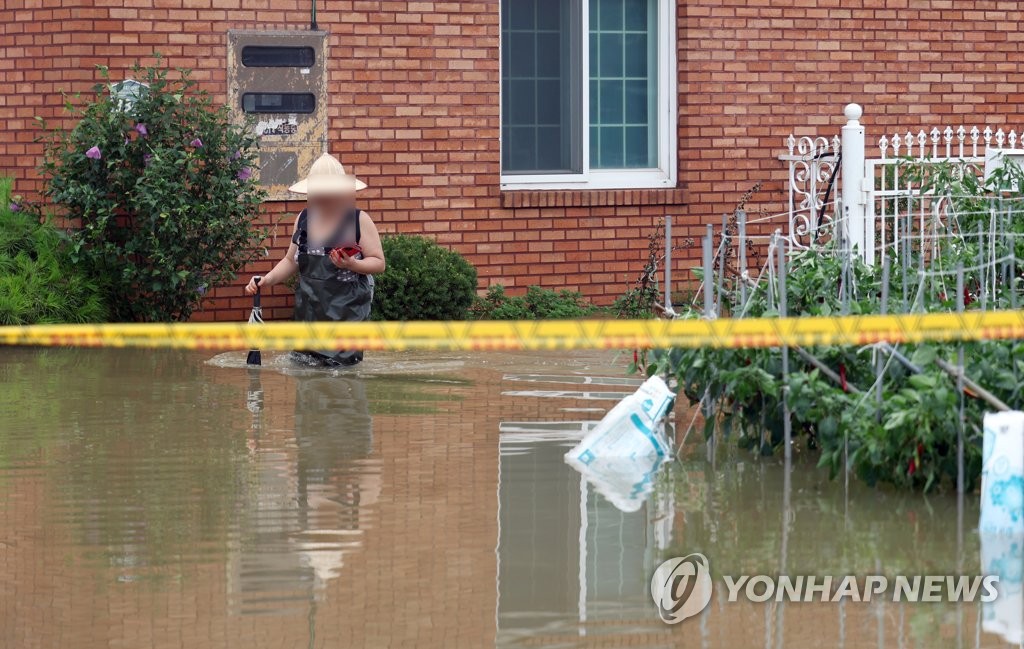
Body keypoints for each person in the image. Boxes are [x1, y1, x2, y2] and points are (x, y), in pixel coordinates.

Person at [245, 153, 385, 366]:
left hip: (345, 316)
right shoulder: (304, 218)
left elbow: (378, 262)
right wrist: (268, 279)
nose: (322, 199)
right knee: (305, 377)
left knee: (341, 382)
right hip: (309, 313)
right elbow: (291, 261)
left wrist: (352, 264)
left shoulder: (358, 221)